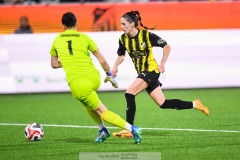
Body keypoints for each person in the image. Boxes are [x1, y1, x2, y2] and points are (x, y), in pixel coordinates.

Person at [108, 10, 209, 138]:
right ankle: (195, 104)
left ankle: (129, 129)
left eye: (124, 24)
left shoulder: (147, 35)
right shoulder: (123, 39)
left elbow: (167, 47)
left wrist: (162, 63)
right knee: (163, 103)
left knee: (129, 93)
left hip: (151, 71)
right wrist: (115, 66)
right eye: (121, 24)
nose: (121, 27)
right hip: (144, 73)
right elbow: (121, 55)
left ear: (132, 24)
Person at [49, 12, 142, 144]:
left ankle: (132, 128)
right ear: (76, 23)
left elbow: (54, 64)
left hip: (78, 83)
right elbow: (102, 60)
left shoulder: (57, 39)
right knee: (87, 103)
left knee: (101, 110)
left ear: (63, 26)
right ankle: (102, 130)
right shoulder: (85, 38)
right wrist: (109, 74)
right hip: (94, 77)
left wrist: (68, 61)